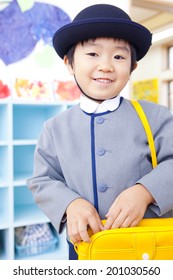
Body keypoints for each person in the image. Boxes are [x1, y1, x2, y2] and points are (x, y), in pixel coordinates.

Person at [27, 4, 173, 260]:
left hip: (147, 247)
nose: (106, 65)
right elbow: (42, 180)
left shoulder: (157, 117)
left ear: (132, 68)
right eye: (92, 54)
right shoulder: (54, 128)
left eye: (118, 57)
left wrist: (145, 191)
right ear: (69, 63)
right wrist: (69, 203)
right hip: (85, 248)